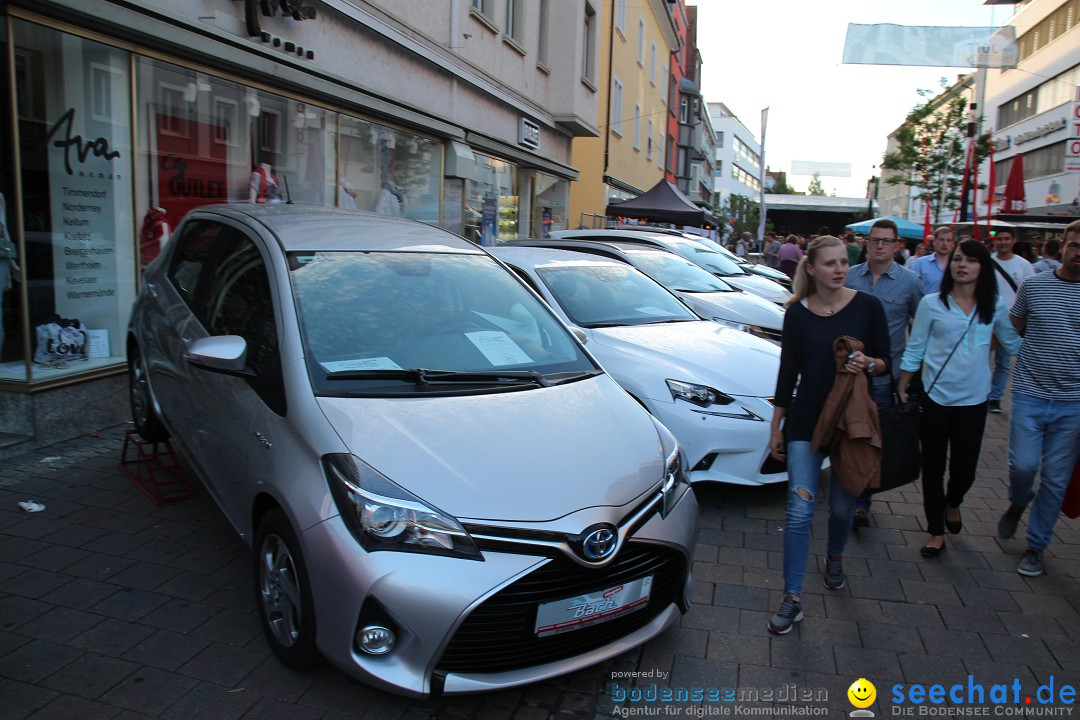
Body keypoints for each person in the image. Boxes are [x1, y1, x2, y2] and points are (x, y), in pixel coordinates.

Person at [766, 236, 890, 635]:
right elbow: (788, 373)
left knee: (841, 509)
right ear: (811, 269)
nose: (839, 269)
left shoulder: (868, 306)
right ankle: (792, 597)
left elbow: (887, 362)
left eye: (843, 262)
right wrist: (776, 427)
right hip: (805, 422)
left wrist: (870, 363)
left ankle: (835, 555)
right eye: (830, 263)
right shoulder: (797, 314)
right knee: (800, 510)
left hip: (849, 423)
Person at [898, 240, 1022, 558]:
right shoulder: (931, 303)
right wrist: (903, 384)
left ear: (983, 266)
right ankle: (936, 531)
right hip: (936, 398)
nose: (961, 265)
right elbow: (916, 348)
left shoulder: (992, 305)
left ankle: (954, 502)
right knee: (933, 468)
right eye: (957, 259)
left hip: (974, 402)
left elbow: (1012, 343)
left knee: (965, 471)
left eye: (969, 260)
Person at [997, 220, 1080, 577]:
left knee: (1056, 479)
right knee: (1023, 466)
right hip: (1030, 393)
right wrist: (1022, 354)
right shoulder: (1034, 285)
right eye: (1076, 245)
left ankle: (1036, 545)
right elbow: (1011, 328)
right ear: (1062, 245)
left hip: (1073, 402)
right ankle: (1018, 500)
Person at [844, 218, 925, 528]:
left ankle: (861, 500)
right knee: (847, 434)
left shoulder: (910, 281)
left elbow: (923, 323)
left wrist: (910, 373)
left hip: (884, 376)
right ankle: (848, 488)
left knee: (872, 439)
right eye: (874, 240)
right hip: (848, 374)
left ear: (896, 245)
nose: (879, 245)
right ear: (867, 242)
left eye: (886, 241)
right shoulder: (850, 277)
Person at [987, 228, 1034, 414]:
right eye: (999, 239)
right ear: (994, 241)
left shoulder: (1024, 265)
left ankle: (995, 398)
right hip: (986, 319)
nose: (1003, 242)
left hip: (1011, 322)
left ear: (1013, 240)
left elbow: (1031, 293)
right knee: (981, 357)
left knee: (1003, 362)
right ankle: (980, 393)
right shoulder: (987, 263)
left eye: (1007, 239)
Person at [909, 226, 955, 295]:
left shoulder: (957, 265)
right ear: (934, 242)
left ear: (952, 244)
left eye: (948, 240)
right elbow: (911, 288)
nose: (945, 244)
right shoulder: (920, 263)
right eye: (941, 239)